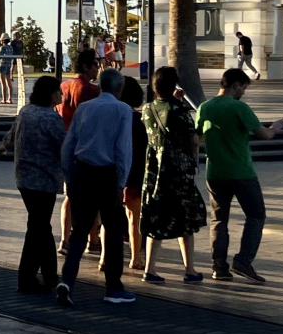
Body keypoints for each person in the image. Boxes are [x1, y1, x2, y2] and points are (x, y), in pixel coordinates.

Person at [56, 68, 135, 307]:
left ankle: (67, 281)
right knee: (112, 230)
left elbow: (69, 145)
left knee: (79, 231)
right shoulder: (122, 110)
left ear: (100, 85)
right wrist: (121, 182)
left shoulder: (85, 108)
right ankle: (113, 285)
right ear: (119, 88)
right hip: (106, 174)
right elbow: (123, 149)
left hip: (82, 172)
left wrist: (70, 175)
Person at [197, 68, 283, 283]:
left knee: (219, 220)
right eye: (243, 88)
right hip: (241, 172)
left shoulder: (204, 107)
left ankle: (219, 267)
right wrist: (275, 127)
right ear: (236, 85)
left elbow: (196, 138)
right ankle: (243, 261)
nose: (243, 93)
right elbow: (264, 135)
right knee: (256, 216)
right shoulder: (238, 107)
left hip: (215, 172)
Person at [0, 74, 64, 294]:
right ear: (50, 93)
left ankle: (48, 275)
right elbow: (63, 147)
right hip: (44, 180)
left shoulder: (25, 112)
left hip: (24, 179)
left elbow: (12, 135)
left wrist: (2, 146)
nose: (61, 94)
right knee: (38, 229)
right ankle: (27, 278)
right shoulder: (51, 118)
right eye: (58, 91)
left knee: (40, 227)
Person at [140, 66, 206, 284]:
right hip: (178, 172)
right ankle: (189, 269)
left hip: (155, 172)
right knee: (185, 219)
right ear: (174, 85)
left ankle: (149, 268)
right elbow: (193, 140)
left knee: (157, 217)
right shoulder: (180, 111)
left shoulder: (147, 109)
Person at [58, 48, 102, 254]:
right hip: (86, 148)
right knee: (93, 198)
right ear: (86, 66)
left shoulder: (63, 86)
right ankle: (93, 240)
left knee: (70, 196)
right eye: (95, 63)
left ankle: (64, 240)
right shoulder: (90, 90)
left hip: (66, 147)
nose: (98, 67)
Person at [118, 76, 148, 273]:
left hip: (114, 174)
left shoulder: (114, 116)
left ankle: (104, 258)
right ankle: (136, 258)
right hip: (135, 175)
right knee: (134, 218)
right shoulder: (138, 121)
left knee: (109, 217)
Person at [0, 35, 17, 105]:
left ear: (2, 40)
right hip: (8, 65)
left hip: (2, 65)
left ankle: (4, 99)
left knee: (3, 84)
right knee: (9, 84)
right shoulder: (10, 47)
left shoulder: (2, 47)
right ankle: (10, 99)